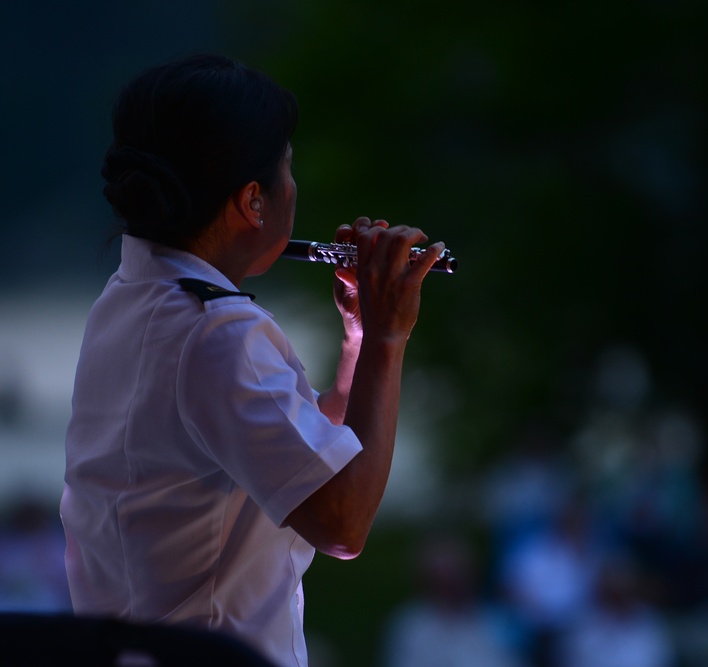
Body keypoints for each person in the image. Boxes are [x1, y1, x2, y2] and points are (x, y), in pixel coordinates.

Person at [58, 53, 445, 667]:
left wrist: (358, 337)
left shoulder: (127, 300)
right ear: (253, 203)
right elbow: (342, 522)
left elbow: (308, 455)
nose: (295, 190)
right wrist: (388, 340)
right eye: (287, 171)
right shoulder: (217, 332)